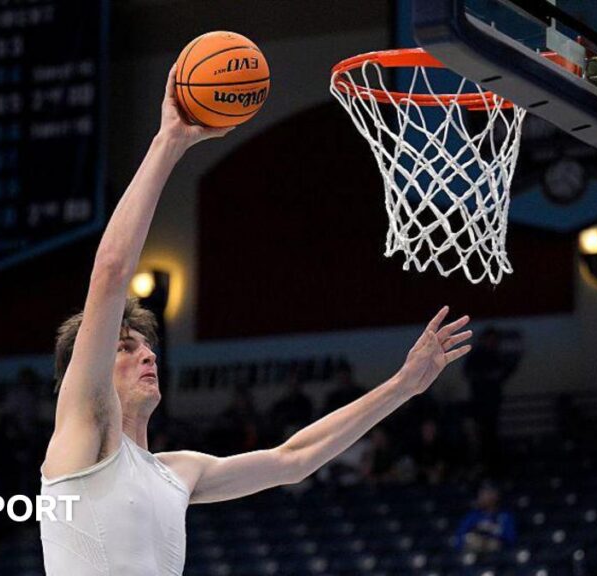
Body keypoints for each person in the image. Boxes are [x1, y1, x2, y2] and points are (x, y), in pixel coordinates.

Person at [38, 64, 474, 576]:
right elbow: (110, 273)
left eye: (144, 345)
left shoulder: (178, 472)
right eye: (124, 347)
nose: (146, 353)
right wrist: (169, 142)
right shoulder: (81, 433)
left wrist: (402, 386)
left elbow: (295, 459)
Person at [463, 327, 519, 475]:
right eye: (491, 339)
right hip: (479, 403)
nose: (493, 343)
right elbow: (468, 373)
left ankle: (494, 467)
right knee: (480, 436)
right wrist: (486, 377)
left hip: (493, 403)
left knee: (492, 435)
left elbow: (505, 372)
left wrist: (495, 377)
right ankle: (482, 466)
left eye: (495, 340)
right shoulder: (476, 355)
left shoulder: (497, 355)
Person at [454, 483, 518, 553]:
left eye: (484, 494)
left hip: (497, 557)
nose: (480, 497)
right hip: (474, 555)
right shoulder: (473, 516)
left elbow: (511, 540)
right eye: (480, 494)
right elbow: (459, 537)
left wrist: (490, 538)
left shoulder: (505, 516)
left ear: (495, 496)